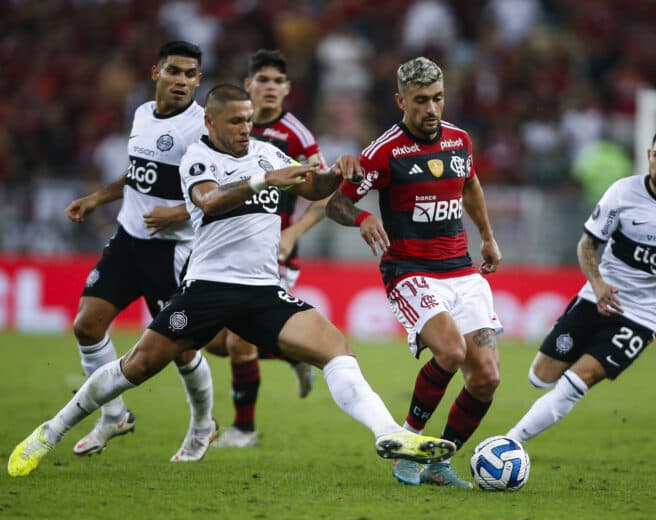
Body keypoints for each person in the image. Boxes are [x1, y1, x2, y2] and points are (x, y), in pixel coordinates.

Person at [8, 83, 456, 478]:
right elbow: (209, 201)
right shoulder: (197, 158)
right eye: (236, 121)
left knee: (336, 348)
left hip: (263, 291)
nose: (246, 128)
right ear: (210, 121)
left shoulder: (267, 151)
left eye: (249, 120)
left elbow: (313, 188)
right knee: (138, 366)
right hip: (208, 290)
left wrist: (338, 171)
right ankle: (50, 431)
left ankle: (389, 434)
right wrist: (264, 179)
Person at [325, 57, 502, 489]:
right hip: (410, 271)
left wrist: (488, 237)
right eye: (421, 100)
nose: (431, 109)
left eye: (438, 98)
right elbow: (336, 203)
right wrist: (362, 218)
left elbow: (471, 185)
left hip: (461, 270)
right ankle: (408, 444)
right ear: (401, 100)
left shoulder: (459, 140)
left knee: (486, 377)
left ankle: (441, 462)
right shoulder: (383, 151)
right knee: (452, 351)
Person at [505, 125, 656, 445]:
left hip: (644, 314)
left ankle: (509, 442)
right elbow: (587, 245)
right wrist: (597, 283)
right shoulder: (623, 194)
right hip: (600, 296)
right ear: (649, 156)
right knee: (540, 376)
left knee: (580, 379)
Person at [63, 41, 215, 461]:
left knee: (182, 352)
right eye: (174, 71)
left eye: (190, 74)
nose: (181, 81)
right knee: (87, 327)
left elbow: (223, 189)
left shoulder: (204, 128)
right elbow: (137, 173)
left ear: (198, 80)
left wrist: (178, 213)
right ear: (156, 73)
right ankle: (113, 414)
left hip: (172, 253)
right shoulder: (142, 115)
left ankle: (204, 424)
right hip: (128, 241)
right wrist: (98, 197)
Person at [206, 49, 329, 449]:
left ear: (288, 88)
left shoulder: (297, 135)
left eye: (278, 81)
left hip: (274, 252)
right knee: (214, 343)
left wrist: (294, 234)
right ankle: (293, 354)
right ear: (248, 85)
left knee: (240, 341)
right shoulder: (226, 129)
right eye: (263, 80)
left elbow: (324, 193)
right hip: (227, 249)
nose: (271, 88)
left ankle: (243, 429)